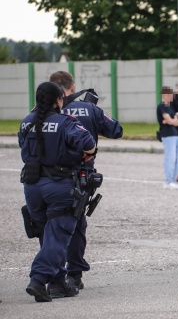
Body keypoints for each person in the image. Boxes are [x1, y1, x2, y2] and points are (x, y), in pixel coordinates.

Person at [19, 82, 96, 302]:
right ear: (58, 100)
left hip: (32, 186)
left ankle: (57, 283)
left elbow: (21, 146)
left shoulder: (26, 122)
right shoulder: (65, 122)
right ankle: (38, 279)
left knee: (46, 235)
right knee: (58, 236)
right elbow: (88, 144)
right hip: (59, 185)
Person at [49, 71, 123, 291]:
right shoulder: (89, 108)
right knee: (77, 225)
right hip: (81, 176)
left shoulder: (44, 110)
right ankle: (74, 274)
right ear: (72, 87)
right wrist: (92, 112)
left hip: (50, 176)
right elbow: (116, 130)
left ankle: (54, 274)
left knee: (50, 225)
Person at [158, 86, 178, 190]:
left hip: (175, 135)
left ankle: (173, 180)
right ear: (164, 95)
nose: (171, 96)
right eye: (169, 95)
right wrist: (170, 120)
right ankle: (168, 181)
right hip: (167, 135)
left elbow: (177, 122)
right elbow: (169, 121)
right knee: (170, 158)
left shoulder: (170, 108)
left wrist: (171, 120)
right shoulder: (161, 106)